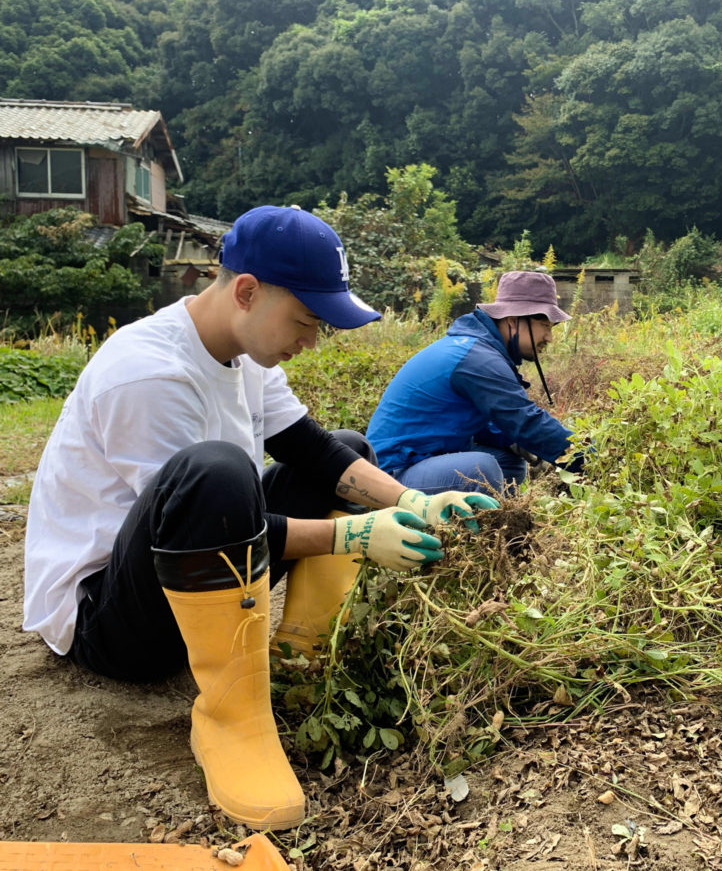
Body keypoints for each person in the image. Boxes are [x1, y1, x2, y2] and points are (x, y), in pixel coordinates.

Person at [23, 205, 497, 832]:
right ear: (246, 292)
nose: (311, 341)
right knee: (216, 473)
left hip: (187, 577)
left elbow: (312, 451)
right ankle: (231, 720)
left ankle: (300, 651)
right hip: (110, 621)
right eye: (305, 321)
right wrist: (352, 534)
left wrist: (413, 502)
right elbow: (197, 524)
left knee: (348, 449)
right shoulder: (148, 373)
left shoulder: (244, 357)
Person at [366, 270, 580, 495]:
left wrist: (513, 441)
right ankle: (461, 526)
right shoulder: (478, 359)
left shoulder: (476, 348)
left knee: (508, 462)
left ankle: (491, 519)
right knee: (483, 470)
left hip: (423, 457)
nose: (549, 338)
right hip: (391, 473)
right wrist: (591, 460)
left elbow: (484, 424)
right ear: (514, 320)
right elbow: (525, 421)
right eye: (545, 326)